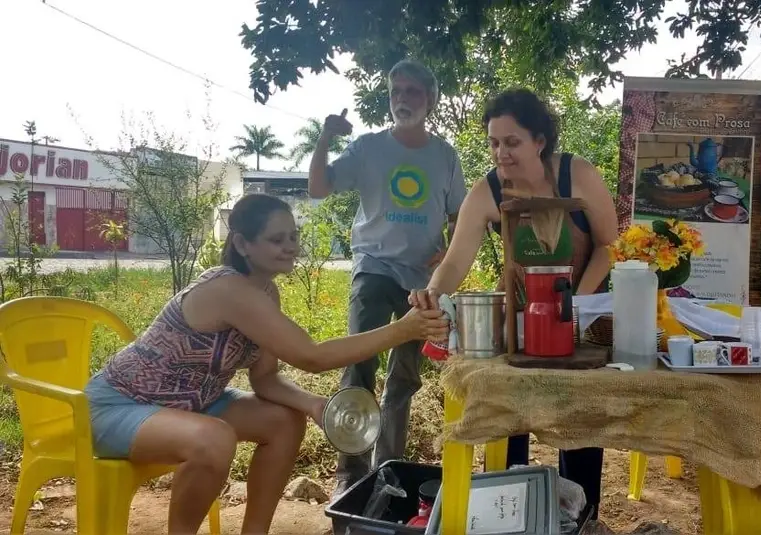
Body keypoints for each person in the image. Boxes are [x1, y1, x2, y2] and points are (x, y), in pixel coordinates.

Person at [84, 194, 448, 535]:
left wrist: (313, 405)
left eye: (293, 236)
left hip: (192, 403)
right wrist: (402, 330)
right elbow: (311, 356)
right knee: (213, 439)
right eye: (277, 239)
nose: (290, 246)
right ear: (243, 244)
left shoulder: (265, 293)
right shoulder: (229, 290)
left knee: (284, 421)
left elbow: (266, 380)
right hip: (119, 405)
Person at [408, 88, 619, 517]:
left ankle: (583, 515)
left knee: (578, 416)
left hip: (581, 313)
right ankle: (508, 512)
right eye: (494, 142)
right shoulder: (486, 192)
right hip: (520, 319)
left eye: (512, 142)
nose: (501, 153)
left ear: (540, 141)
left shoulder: (576, 175)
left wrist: (575, 304)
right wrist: (433, 293)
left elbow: (611, 245)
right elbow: (454, 263)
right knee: (509, 409)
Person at [307, 58, 467, 497]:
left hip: (423, 283)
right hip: (374, 269)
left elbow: (460, 217)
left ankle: (390, 468)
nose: (403, 100)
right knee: (360, 365)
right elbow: (318, 188)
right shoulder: (368, 148)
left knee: (405, 377)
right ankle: (351, 472)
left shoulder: (445, 156)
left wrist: (449, 252)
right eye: (397, 91)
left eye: (413, 92)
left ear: (431, 101)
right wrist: (324, 136)